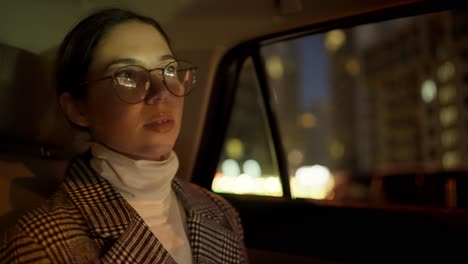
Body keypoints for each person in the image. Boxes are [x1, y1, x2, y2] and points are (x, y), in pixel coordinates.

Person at [1, 8, 247, 264]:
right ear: (78, 109)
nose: (162, 91)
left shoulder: (220, 210)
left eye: (169, 70)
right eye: (128, 75)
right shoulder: (39, 245)